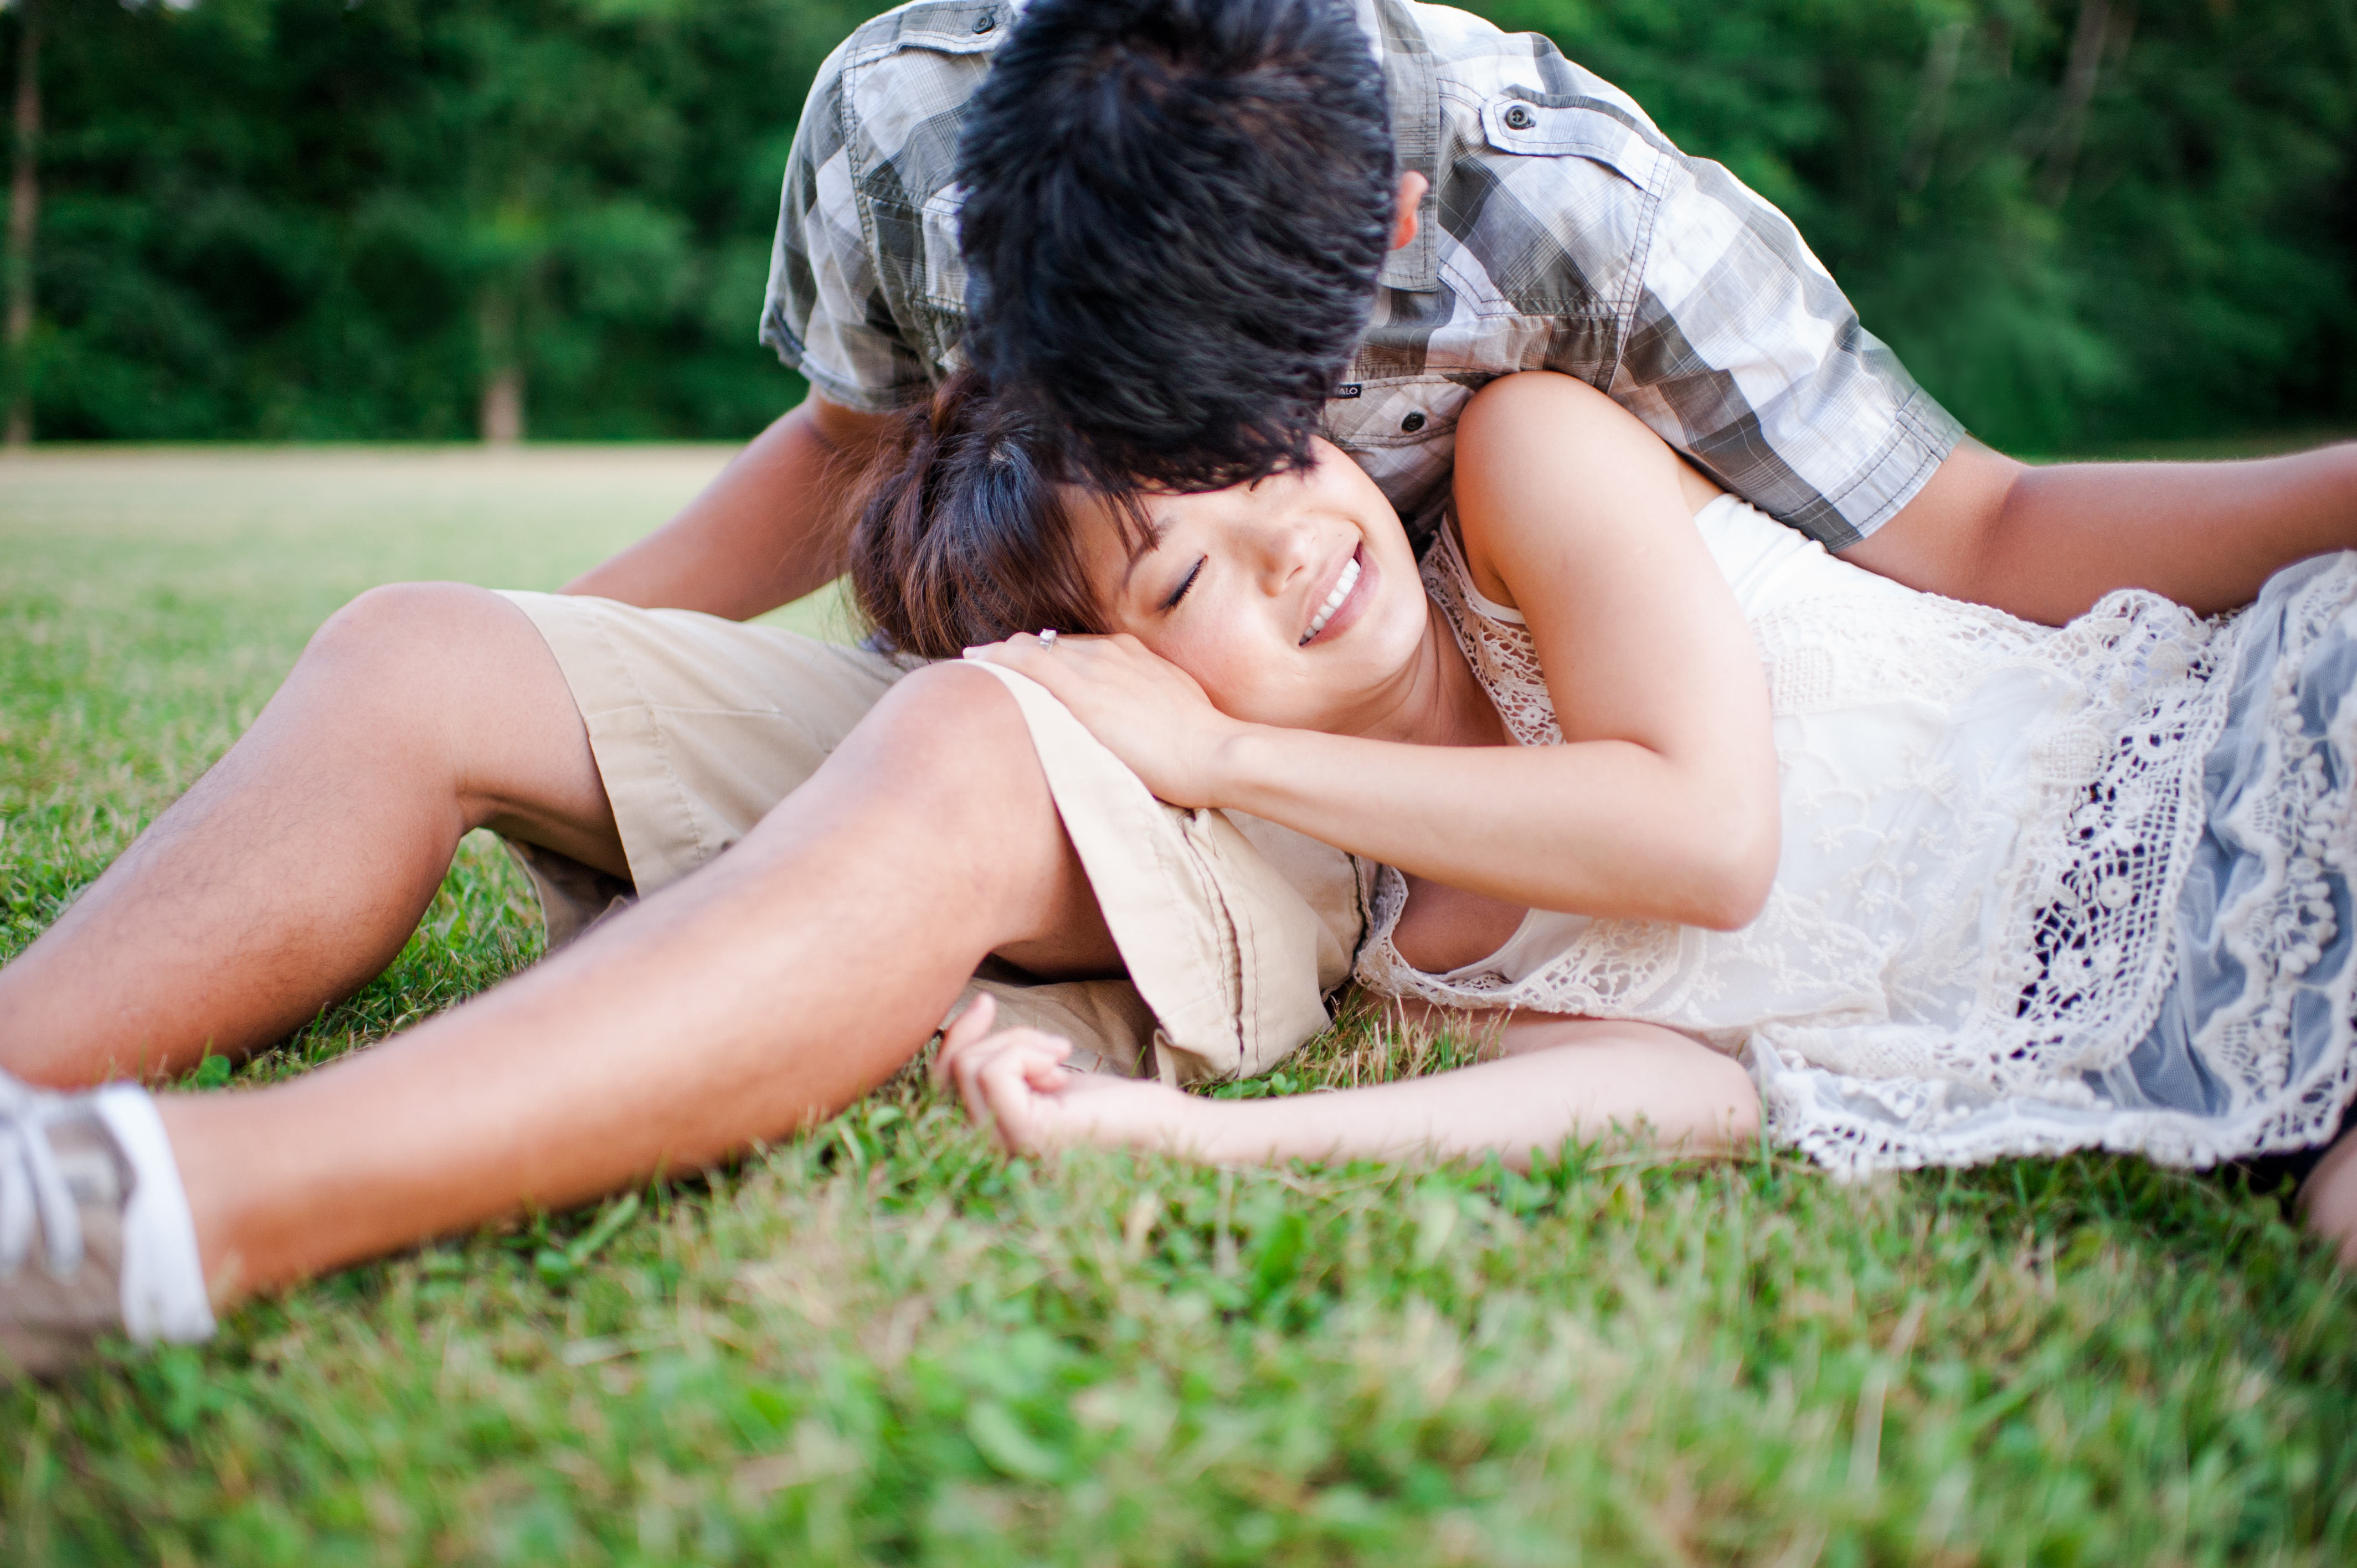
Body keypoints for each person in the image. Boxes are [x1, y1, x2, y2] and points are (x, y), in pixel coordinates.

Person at [2, 0, 2354, 1374]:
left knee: (958, 745)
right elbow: (836, 449)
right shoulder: (908, 131)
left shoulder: (1570, 254)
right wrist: (595, 694)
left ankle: (193, 1212)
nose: (1265, 505)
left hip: (1391, 786)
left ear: (1387, 259)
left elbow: (1975, 536)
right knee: (419, 652)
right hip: (1193, 726)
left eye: (1262, 439)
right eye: (1166, 496)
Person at [893, 368, 2357, 1250]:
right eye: (1184, 578)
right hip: (2184, 1045)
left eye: (1257, 459)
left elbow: (1704, 847)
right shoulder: (1410, 957)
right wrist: (1187, 1140)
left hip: (2262, 749)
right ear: (1118, 678)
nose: (1284, 539)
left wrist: (1227, 758)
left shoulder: (1527, 464)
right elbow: (1702, 1096)